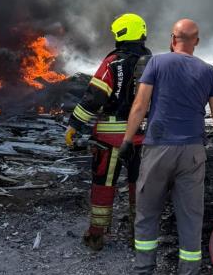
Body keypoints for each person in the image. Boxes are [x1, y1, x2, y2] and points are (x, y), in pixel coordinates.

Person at [118, 18, 213, 275]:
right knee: (190, 218)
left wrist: (126, 141)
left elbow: (140, 105)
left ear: (172, 38)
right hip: (192, 152)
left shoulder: (156, 64)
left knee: (147, 215)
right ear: (197, 41)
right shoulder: (209, 71)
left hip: (157, 148)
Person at [64, 13, 151, 251]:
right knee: (140, 185)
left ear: (122, 33)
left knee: (103, 184)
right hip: (142, 138)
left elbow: (94, 98)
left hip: (110, 139)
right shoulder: (153, 62)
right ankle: (139, 235)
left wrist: (74, 125)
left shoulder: (112, 64)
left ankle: (96, 236)